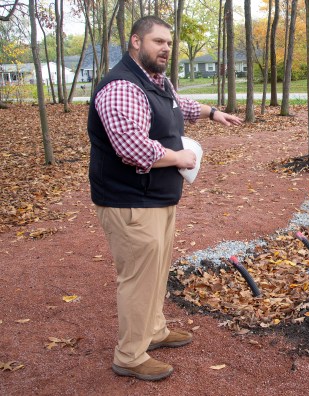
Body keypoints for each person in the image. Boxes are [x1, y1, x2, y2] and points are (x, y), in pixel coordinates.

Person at [87, 16, 242, 381]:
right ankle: (129, 355)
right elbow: (131, 147)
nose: (165, 48)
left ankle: (153, 331)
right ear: (136, 42)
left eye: (168, 43)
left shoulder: (155, 81)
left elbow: (177, 105)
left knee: (156, 273)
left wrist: (213, 113)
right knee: (138, 279)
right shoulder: (122, 86)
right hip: (129, 201)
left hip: (155, 198)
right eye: (157, 41)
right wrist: (178, 158)